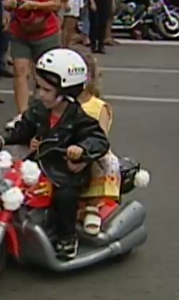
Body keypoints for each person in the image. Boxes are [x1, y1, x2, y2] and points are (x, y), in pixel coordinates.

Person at [0, 48, 109, 259]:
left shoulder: (78, 117)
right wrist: (4, 136)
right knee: (8, 180)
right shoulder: (39, 109)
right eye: (38, 87)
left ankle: (66, 238)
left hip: (66, 170)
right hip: (39, 163)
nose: (39, 94)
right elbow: (24, 127)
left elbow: (99, 139)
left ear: (66, 91)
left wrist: (81, 150)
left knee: (64, 195)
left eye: (46, 89)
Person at [77, 51, 120, 235]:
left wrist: (82, 150)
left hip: (89, 150)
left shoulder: (98, 107)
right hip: (63, 146)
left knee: (104, 162)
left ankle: (93, 206)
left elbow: (99, 138)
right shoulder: (60, 103)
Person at [3, 0, 61, 129]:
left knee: (46, 74)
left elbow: (57, 4)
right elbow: (7, 4)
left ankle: (45, 113)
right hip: (20, 32)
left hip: (46, 33)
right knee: (19, 71)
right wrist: (10, 5)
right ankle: (22, 115)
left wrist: (34, 5)